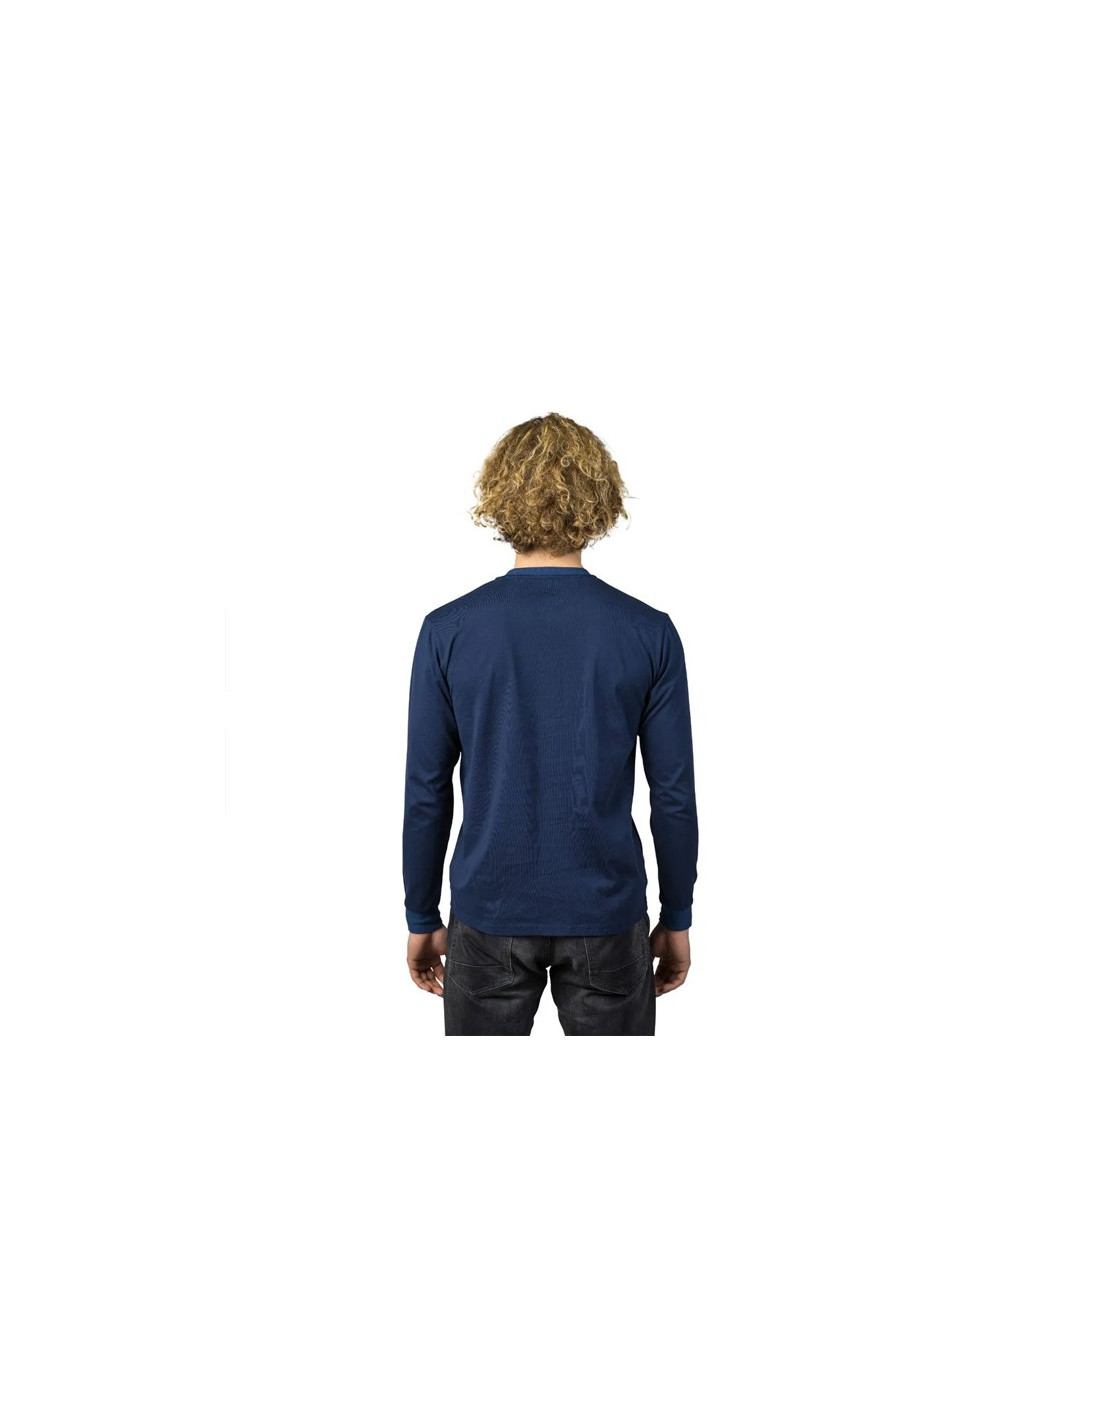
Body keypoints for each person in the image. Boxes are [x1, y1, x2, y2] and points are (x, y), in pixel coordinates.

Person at [402, 412, 698, 1035]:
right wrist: (677, 916)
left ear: (499, 495)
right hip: (606, 911)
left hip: (488, 909)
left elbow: (426, 789)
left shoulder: (447, 630)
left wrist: (422, 915)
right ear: (599, 497)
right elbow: (672, 794)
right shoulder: (648, 632)